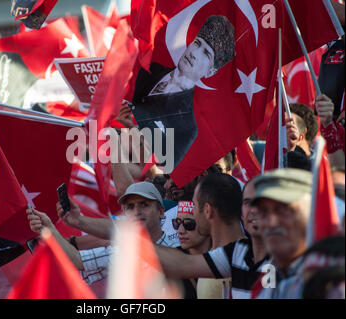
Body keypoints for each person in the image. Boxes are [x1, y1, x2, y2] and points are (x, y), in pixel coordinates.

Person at [28, 182, 182, 298]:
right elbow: (77, 260)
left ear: (161, 212)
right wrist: (48, 229)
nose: (137, 212)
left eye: (144, 205)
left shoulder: (181, 250)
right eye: (130, 207)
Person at [131, 15, 236, 170]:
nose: (194, 53)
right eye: (197, 43)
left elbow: (168, 164)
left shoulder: (192, 122)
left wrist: (132, 126)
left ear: (211, 71)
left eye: (206, 53)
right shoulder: (149, 70)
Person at [153, 173, 268, 299]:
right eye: (247, 203)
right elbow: (183, 264)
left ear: (207, 210)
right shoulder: (233, 254)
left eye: (195, 206)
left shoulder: (272, 261)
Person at [250, 168, 315, 298]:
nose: (271, 222)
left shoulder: (329, 282)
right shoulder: (268, 278)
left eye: (283, 210)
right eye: (263, 212)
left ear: (313, 211)